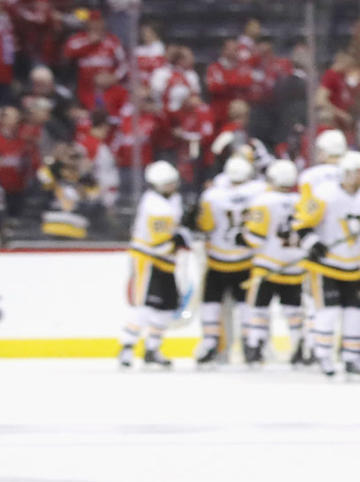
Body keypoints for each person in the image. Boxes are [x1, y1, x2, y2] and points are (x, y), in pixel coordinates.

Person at [292, 151, 360, 377]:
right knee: (328, 312)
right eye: (356, 172)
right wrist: (313, 243)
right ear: (346, 172)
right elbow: (301, 224)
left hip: (354, 265)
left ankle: (352, 357)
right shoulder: (324, 194)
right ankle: (323, 355)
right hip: (326, 266)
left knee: (355, 313)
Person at [119, 161, 191, 368]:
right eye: (166, 184)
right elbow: (160, 244)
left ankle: (152, 348)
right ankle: (127, 347)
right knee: (144, 305)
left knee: (167, 306)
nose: (171, 187)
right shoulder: (155, 206)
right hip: (148, 260)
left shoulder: (173, 199)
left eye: (172, 183)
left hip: (167, 261)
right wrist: (178, 239)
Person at [195, 156, 265, 366]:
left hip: (218, 258)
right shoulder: (259, 191)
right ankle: (249, 345)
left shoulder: (212, 195)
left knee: (211, 302)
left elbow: (205, 226)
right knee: (246, 304)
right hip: (245, 259)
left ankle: (210, 343)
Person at [240, 160, 305, 367]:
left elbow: (255, 238)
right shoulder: (302, 200)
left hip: (267, 265)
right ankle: (299, 348)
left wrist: (241, 238)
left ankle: (255, 347)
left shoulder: (263, 201)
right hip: (295, 265)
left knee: (259, 310)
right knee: (293, 312)